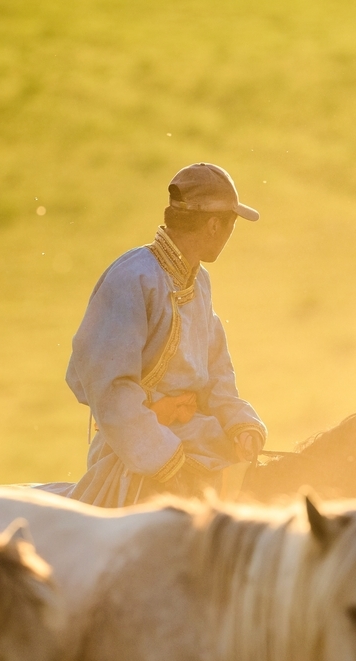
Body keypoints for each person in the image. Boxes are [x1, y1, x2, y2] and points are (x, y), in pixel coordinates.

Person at [50, 163, 266, 507]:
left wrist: (241, 424)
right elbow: (110, 389)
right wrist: (165, 459)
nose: (229, 235)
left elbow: (216, 373)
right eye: (231, 224)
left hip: (203, 445)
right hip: (135, 457)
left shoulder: (200, 282)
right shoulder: (132, 278)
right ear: (213, 225)